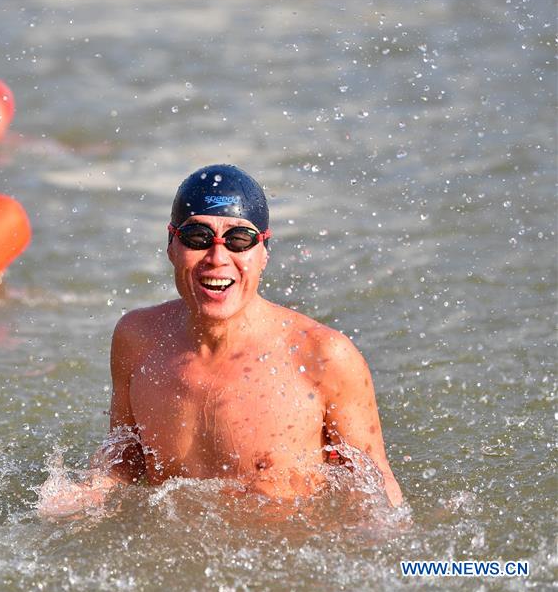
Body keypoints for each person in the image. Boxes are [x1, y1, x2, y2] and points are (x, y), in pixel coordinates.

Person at [40, 164, 403, 516]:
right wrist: (90, 493)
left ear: (263, 253)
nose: (217, 257)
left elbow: (374, 488)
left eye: (238, 240)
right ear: (171, 245)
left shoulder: (322, 355)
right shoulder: (138, 338)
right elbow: (125, 458)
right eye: (197, 237)